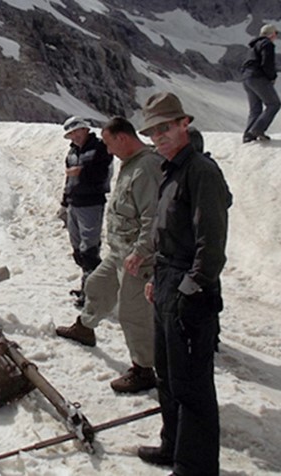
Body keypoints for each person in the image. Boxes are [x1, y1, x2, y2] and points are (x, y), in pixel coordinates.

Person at [137, 92, 232, 476]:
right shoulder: (171, 167)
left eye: (166, 127)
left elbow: (212, 243)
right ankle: (172, 445)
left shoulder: (200, 171)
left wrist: (191, 290)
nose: (159, 135)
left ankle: (195, 466)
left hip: (190, 286)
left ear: (183, 124)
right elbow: (167, 231)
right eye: (154, 130)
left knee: (191, 384)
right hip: (166, 279)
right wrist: (156, 279)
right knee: (167, 373)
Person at [56, 117, 163, 393]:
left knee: (133, 313)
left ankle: (143, 369)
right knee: (97, 285)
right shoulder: (132, 164)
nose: (108, 151)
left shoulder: (147, 167)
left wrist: (140, 252)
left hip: (137, 257)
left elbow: (154, 217)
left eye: (109, 144)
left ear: (123, 138)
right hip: (120, 251)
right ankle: (85, 327)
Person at [58, 116, 113, 307]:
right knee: (78, 249)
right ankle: (87, 286)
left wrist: (80, 172)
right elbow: (69, 181)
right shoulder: (72, 152)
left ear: (85, 130)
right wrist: (64, 203)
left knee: (89, 249)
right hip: (75, 203)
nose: (73, 137)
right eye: (70, 134)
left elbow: (102, 174)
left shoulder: (100, 147)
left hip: (91, 203)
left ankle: (94, 294)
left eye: (76, 132)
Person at [241, 24, 281, 143]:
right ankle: (258, 129)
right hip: (258, 77)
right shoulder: (267, 44)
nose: (276, 36)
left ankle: (248, 135)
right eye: (276, 33)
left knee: (255, 109)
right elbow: (267, 63)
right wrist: (272, 77)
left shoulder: (253, 46)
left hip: (246, 78)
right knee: (274, 104)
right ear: (272, 34)